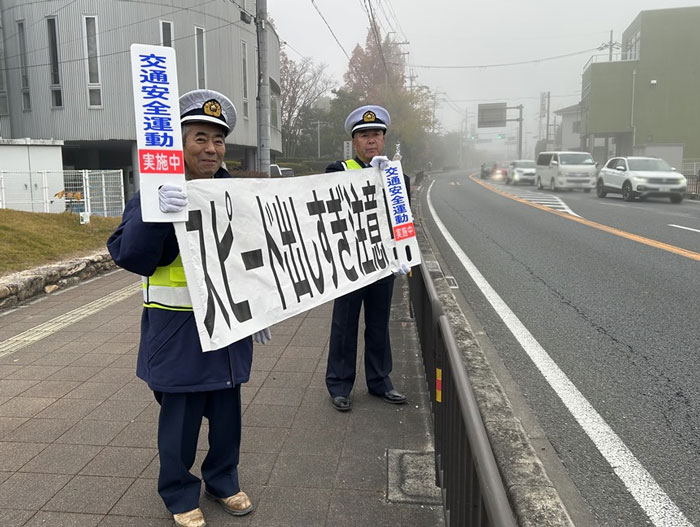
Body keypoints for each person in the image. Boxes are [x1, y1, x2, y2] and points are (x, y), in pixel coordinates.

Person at [107, 89, 269, 527]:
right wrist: (154, 214)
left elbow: (255, 253)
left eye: (218, 140)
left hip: (229, 324)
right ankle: (179, 493)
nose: (211, 149)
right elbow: (129, 255)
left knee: (226, 412)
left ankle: (223, 479)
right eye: (199, 137)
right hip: (177, 329)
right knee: (179, 420)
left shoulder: (235, 193)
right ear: (177, 141)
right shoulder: (157, 191)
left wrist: (263, 308)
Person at [324, 104, 410, 412]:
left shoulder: (397, 176)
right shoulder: (339, 171)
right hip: (349, 263)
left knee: (378, 323)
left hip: (383, 263)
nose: (370, 140)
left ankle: (380, 381)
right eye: (363, 135)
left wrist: (404, 256)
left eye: (376, 134)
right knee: (344, 324)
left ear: (384, 139)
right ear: (354, 141)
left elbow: (403, 221)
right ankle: (339, 384)